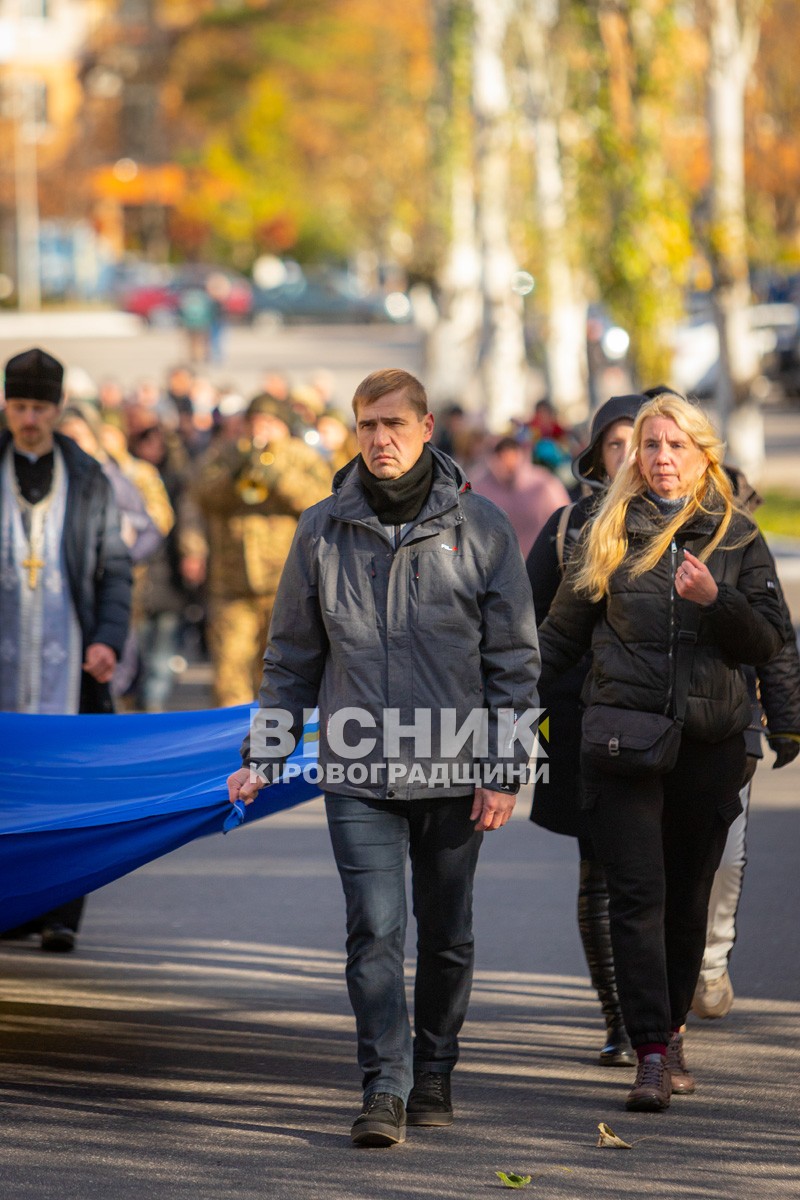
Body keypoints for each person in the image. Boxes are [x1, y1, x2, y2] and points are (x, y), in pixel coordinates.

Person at [227, 368, 540, 1147]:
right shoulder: (320, 529)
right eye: (367, 425)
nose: (380, 439)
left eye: (394, 424)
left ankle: (434, 1069)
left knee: (447, 933)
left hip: (455, 765)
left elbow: (515, 662)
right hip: (358, 770)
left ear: (427, 428)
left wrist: (504, 769)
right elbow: (292, 657)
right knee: (373, 929)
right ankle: (385, 1087)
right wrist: (265, 754)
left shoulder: (483, 528)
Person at [537, 392, 788, 1113]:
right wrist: (502, 699)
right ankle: (650, 1050)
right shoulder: (606, 531)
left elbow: (768, 640)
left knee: (686, 900)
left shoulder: (735, 537)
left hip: (710, 746)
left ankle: (672, 1028)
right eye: (650, 447)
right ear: (634, 458)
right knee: (637, 896)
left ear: (702, 453)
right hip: (622, 740)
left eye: (676, 446)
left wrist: (718, 599)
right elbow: (560, 636)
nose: (662, 459)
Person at [526, 393, 647, 1067]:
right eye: (617, 444)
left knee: (662, 875)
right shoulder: (569, 525)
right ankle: (620, 1019)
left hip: (666, 721)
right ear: (597, 453)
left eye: (647, 440)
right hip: (580, 723)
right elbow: (526, 625)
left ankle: (659, 1009)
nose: (633, 457)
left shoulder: (696, 523)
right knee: (599, 875)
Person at [0, 347, 131, 951]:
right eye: (19, 405)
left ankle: (59, 913)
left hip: (67, 654)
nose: (29, 418)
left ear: (57, 409)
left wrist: (107, 639)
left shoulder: (87, 477)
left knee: (62, 783)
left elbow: (114, 566)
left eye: (39, 407)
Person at [191, 392, 332, 706]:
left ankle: (276, 744)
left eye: (268, 423)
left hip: (286, 584)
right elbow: (201, 496)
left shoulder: (302, 457)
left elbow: (322, 502)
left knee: (279, 671)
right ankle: (233, 742)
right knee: (231, 672)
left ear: (283, 425)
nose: (260, 430)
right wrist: (234, 475)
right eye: (254, 423)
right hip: (231, 584)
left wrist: (280, 476)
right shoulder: (226, 454)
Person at [472, 435, 570, 557]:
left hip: (539, 559)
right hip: (497, 564)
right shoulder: (480, 487)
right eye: (502, 456)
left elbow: (564, 518)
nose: (508, 462)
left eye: (512, 455)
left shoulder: (544, 483)